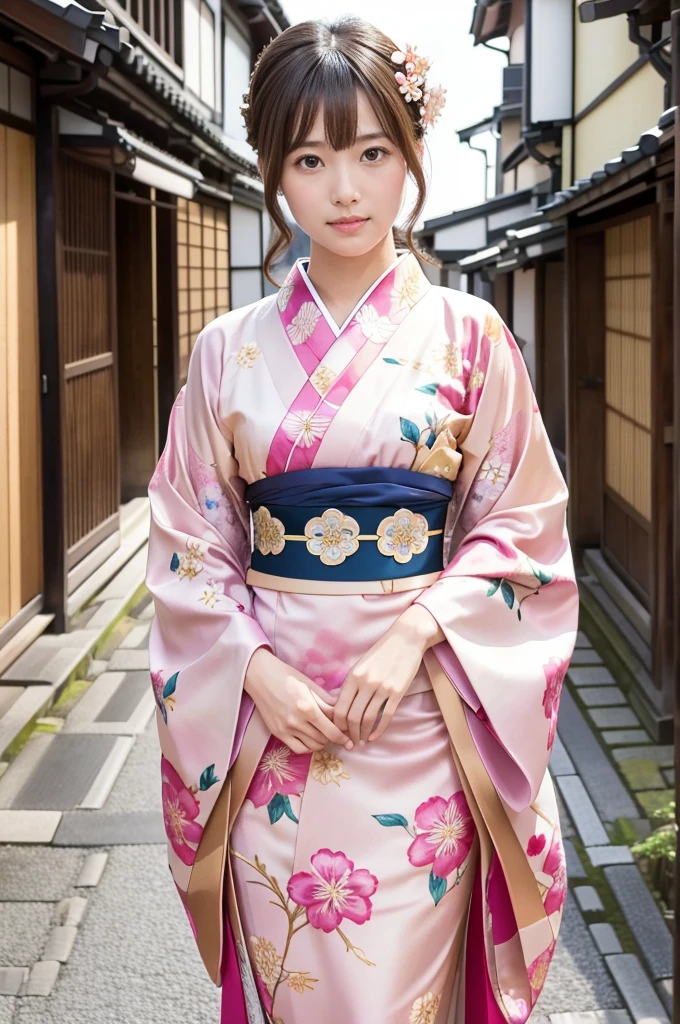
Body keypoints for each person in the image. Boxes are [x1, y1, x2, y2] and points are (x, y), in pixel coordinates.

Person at [145, 16, 578, 1024]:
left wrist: (417, 634)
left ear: (408, 159)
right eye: (310, 157)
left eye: (371, 153)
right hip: (271, 737)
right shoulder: (225, 352)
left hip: (422, 723)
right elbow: (186, 546)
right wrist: (252, 671)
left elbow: (520, 527)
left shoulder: (469, 336)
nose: (343, 188)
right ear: (275, 174)